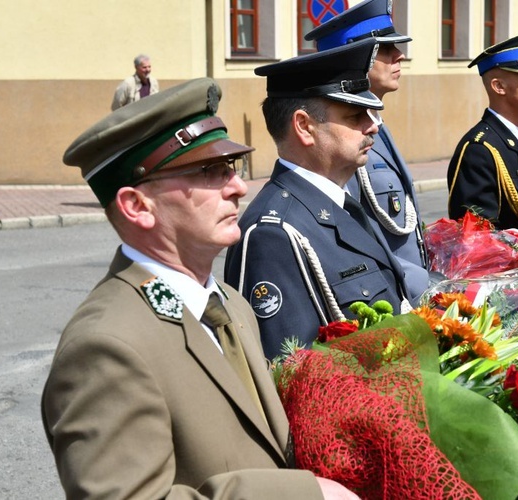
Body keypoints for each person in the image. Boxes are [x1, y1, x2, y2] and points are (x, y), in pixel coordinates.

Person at [42, 78, 358, 499]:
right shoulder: (105, 345)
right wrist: (302, 494)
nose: (237, 187)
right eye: (209, 172)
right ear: (137, 207)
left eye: (232, 168)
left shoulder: (229, 303)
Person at [224, 39, 411, 360]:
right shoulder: (272, 234)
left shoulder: (344, 203)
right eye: (355, 117)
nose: (373, 126)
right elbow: (289, 376)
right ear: (304, 126)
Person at [304, 0, 429, 301]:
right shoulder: (341, 139)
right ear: (355, 56)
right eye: (385, 49)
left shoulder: (377, 126)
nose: (399, 55)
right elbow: (353, 238)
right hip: (388, 303)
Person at [447, 31, 518, 230]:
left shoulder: (516, 140)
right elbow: (477, 238)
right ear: (499, 86)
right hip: (514, 262)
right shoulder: (479, 149)